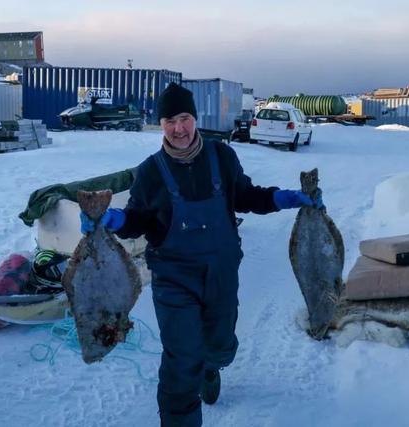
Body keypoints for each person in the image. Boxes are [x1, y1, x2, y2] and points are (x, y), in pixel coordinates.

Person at [80, 82, 323, 427]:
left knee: (221, 345)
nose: (178, 129)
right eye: (169, 121)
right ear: (161, 124)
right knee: (181, 360)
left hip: (221, 273)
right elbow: (138, 219)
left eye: (184, 118)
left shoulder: (221, 157)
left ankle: (212, 366)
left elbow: (245, 196)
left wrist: (283, 198)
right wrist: (114, 220)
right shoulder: (151, 171)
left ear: (194, 118)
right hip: (173, 277)